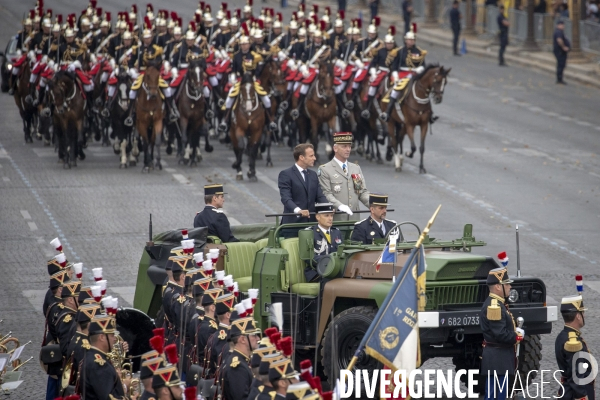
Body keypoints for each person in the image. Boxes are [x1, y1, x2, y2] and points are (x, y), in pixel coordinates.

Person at [479, 267, 523, 400]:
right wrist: (516, 336)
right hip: (498, 359)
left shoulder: (499, 304)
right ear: (498, 286)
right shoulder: (495, 306)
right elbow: (500, 334)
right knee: (496, 396)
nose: (509, 287)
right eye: (507, 284)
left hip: (499, 359)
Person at [278, 144, 328, 236]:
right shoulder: (286, 174)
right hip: (293, 226)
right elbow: (286, 198)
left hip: (311, 225)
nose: (315, 158)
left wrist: (329, 208)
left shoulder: (313, 175)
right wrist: (298, 210)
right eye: (311, 156)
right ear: (301, 157)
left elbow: (320, 196)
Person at [317, 132, 369, 221]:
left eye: (349, 146)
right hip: (336, 218)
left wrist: (374, 204)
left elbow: (361, 191)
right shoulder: (325, 169)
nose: (348, 149)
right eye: (344, 146)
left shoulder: (355, 168)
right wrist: (340, 206)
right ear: (335, 148)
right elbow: (326, 194)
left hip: (354, 218)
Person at [555, 294, 596, 400]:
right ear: (578, 316)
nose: (584, 316)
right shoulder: (573, 342)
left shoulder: (562, 336)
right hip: (574, 395)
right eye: (582, 312)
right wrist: (581, 396)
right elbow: (576, 375)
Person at [83, 314, 133, 399]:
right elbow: (108, 397)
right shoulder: (99, 365)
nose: (114, 339)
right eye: (112, 335)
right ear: (102, 337)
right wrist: (124, 385)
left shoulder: (91, 355)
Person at [221, 317, 261, 400]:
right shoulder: (238, 367)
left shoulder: (243, 361)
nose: (258, 339)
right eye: (254, 335)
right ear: (243, 339)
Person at [304, 203, 343, 282]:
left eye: (331, 216)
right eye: (326, 216)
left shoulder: (336, 232)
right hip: (317, 272)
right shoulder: (310, 233)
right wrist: (329, 261)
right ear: (318, 217)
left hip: (335, 270)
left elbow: (341, 252)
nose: (330, 218)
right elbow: (308, 257)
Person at [553, 19, 570, 84]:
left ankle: (560, 78)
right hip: (560, 51)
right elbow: (559, 40)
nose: (563, 26)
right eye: (562, 25)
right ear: (558, 25)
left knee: (561, 64)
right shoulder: (558, 32)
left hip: (560, 51)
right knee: (561, 64)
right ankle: (559, 79)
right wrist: (564, 47)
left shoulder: (560, 32)